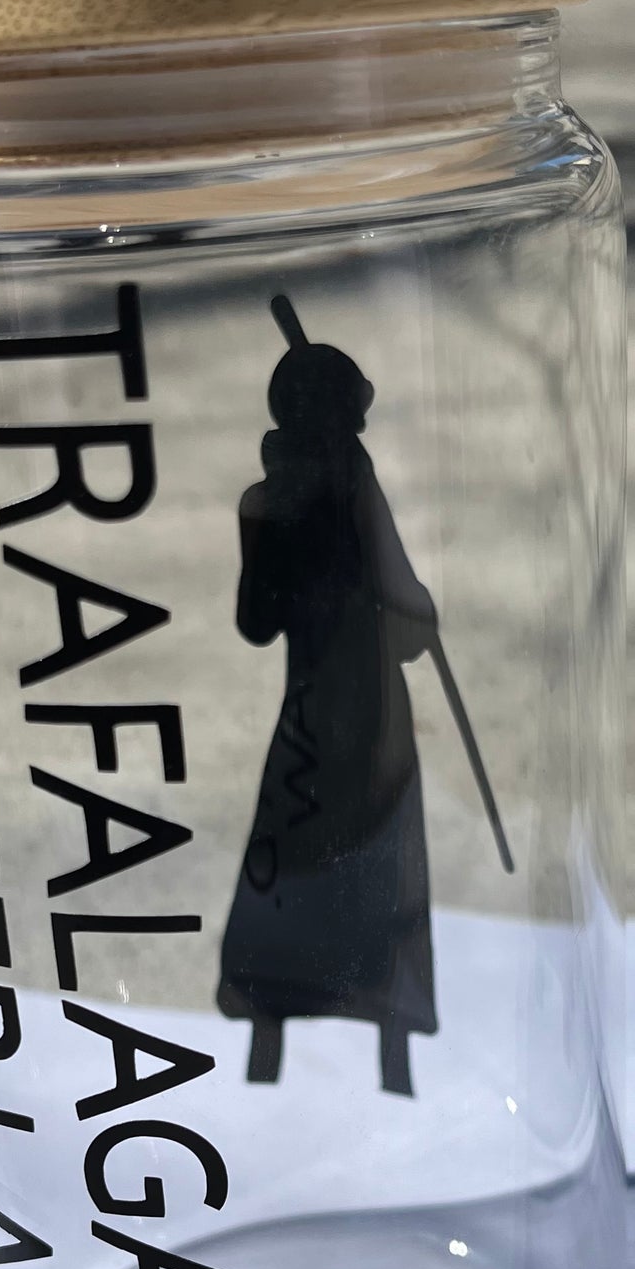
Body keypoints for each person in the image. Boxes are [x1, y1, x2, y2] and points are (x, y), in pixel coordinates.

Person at [217, 308, 438, 1097]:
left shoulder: (334, 490)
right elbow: (262, 620)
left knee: (328, 863)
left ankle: (294, 1047)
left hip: (337, 716)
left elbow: (264, 621)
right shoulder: (320, 495)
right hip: (348, 717)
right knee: (347, 867)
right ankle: (349, 1054)